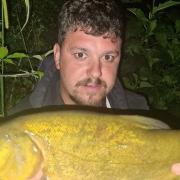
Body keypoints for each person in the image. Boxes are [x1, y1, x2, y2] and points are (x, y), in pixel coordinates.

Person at [8, 0, 180, 175]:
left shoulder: (139, 110)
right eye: (81, 55)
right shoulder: (18, 126)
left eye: (108, 57)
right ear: (58, 56)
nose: (96, 72)